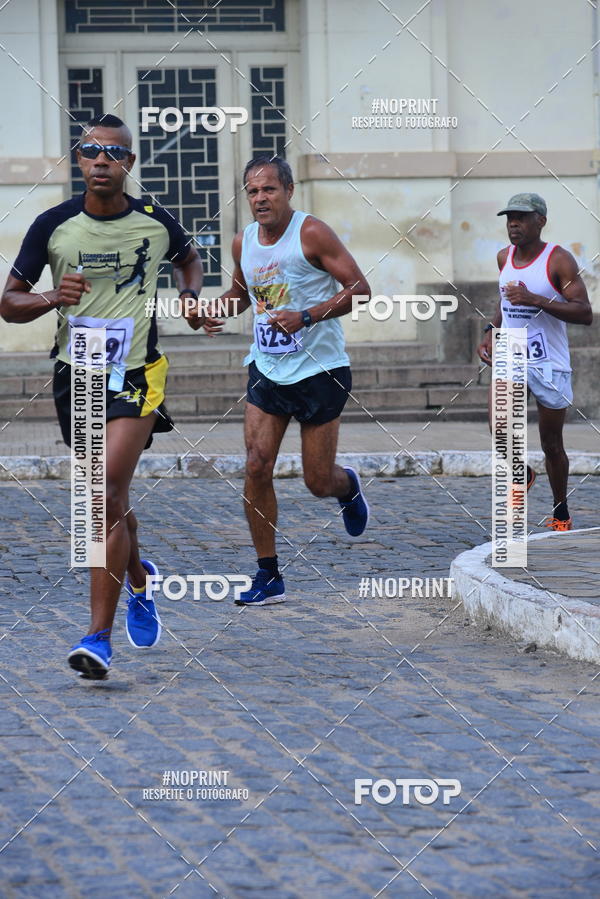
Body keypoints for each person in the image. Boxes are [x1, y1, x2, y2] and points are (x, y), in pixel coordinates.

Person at [1, 114, 203, 677]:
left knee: (100, 494)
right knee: (110, 499)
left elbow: (190, 258)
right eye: (89, 151)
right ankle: (140, 579)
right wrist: (49, 298)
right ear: (79, 160)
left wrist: (189, 295)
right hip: (80, 374)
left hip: (137, 373)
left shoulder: (154, 220)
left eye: (112, 153)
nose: (99, 161)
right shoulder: (53, 225)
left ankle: (98, 637)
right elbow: (8, 303)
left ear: (128, 164)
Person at [187, 155, 371, 605]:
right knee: (255, 465)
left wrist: (306, 316)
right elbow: (240, 295)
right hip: (267, 368)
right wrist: (210, 313)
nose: (260, 198)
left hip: (319, 371)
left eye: (269, 189)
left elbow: (359, 289)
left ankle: (346, 485)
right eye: (252, 191)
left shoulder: (311, 233)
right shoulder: (242, 241)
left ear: (288, 191)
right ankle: (268, 574)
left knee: (317, 481)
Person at [478, 192, 593, 531]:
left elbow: (584, 313)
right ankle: (521, 474)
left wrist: (535, 299)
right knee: (500, 429)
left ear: (540, 221)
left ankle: (561, 511)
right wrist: (490, 329)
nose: (513, 224)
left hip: (550, 360)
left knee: (551, 444)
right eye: (509, 217)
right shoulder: (504, 257)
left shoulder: (558, 260)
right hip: (512, 350)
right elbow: (505, 300)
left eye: (522, 217)